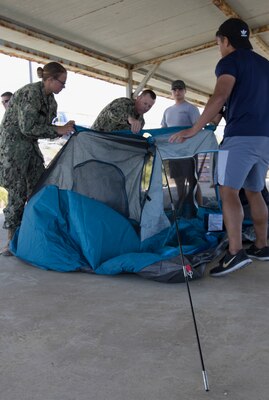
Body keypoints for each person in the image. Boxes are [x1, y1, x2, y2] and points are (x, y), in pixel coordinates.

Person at [169, 18, 269, 277]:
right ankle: (262, 245)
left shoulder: (229, 62)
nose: (219, 48)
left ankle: (235, 253)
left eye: (218, 43)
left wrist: (194, 129)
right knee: (255, 191)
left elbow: (220, 95)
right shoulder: (264, 65)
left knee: (227, 191)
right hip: (265, 138)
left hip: (239, 138)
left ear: (225, 40)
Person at [0, 62, 75, 256]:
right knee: (17, 193)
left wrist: (63, 130)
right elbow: (27, 127)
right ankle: (11, 241)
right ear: (50, 79)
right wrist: (58, 129)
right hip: (13, 149)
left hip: (30, 146)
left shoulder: (52, 102)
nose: (63, 87)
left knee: (41, 186)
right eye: (62, 82)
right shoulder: (30, 93)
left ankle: (36, 232)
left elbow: (45, 129)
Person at [161, 80, 202, 217]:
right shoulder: (167, 111)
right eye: (174, 89)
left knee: (193, 181)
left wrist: (186, 137)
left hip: (189, 152)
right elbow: (163, 131)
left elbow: (198, 128)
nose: (177, 92)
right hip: (173, 153)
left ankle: (199, 208)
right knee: (178, 180)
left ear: (185, 91)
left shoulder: (191, 108)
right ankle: (182, 206)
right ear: (171, 92)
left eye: (180, 89)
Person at [91, 89, 156, 133]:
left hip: (110, 146)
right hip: (94, 138)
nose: (146, 108)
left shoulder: (141, 122)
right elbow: (112, 112)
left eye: (149, 106)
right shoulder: (124, 103)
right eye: (145, 103)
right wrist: (129, 119)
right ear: (138, 98)